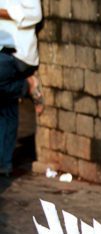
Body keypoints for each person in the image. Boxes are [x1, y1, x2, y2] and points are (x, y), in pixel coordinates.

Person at [0, 0, 43, 176]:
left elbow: (35, 15)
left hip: (18, 53)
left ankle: (27, 85)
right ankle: (5, 162)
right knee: (6, 105)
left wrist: (3, 12)